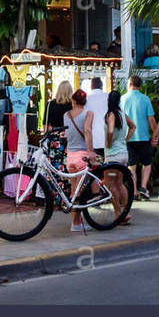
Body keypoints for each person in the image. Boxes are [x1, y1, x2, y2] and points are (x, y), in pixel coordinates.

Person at [63, 89, 98, 232]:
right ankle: (76, 224)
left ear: (73, 101)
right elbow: (87, 131)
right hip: (82, 156)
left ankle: (76, 222)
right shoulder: (88, 113)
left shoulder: (66, 115)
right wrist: (90, 151)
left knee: (74, 189)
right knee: (79, 192)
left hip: (70, 156)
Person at [121, 74, 158, 198]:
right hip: (143, 136)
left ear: (129, 84)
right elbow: (151, 119)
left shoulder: (123, 99)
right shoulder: (145, 99)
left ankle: (134, 191)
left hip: (128, 137)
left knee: (132, 166)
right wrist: (155, 134)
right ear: (140, 85)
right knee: (147, 163)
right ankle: (143, 187)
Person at [84, 75, 108, 158]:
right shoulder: (108, 97)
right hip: (108, 136)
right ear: (102, 86)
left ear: (91, 86)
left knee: (95, 166)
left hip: (93, 137)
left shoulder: (87, 99)